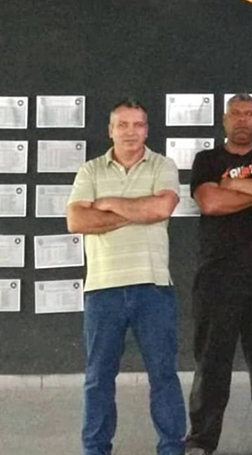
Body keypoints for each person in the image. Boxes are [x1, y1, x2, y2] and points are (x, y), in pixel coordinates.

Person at [67, 99, 186, 455]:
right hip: (102, 289)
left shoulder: (162, 165)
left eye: (138, 125)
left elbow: (162, 207)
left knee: (163, 375)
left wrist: (107, 204)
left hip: (154, 288)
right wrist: (138, 211)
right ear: (111, 130)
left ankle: (171, 448)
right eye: (123, 124)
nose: (131, 132)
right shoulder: (90, 170)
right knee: (98, 378)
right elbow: (77, 220)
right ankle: (95, 448)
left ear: (146, 130)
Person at [184, 94, 252, 455]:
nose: (243, 120)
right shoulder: (207, 160)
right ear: (225, 120)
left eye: (250, 114)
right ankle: (201, 441)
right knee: (211, 365)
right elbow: (210, 203)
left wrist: (232, 185)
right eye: (236, 114)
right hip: (216, 277)